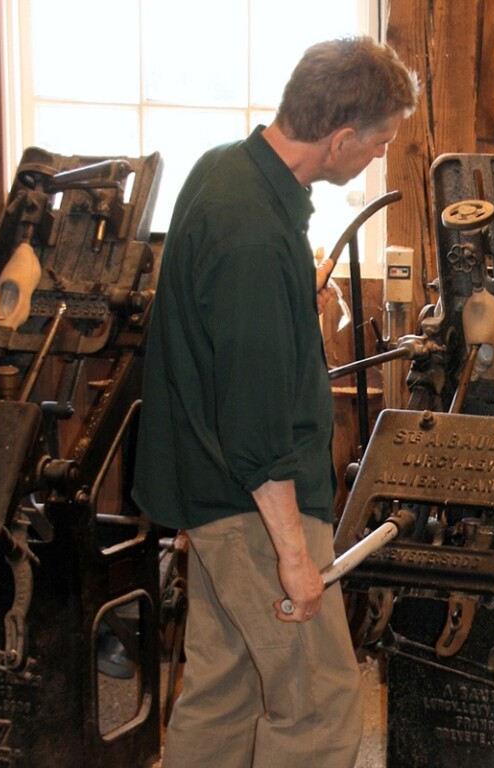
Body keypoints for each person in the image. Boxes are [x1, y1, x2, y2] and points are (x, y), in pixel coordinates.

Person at [132, 36, 419, 768]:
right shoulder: (255, 232)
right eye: (381, 140)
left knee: (224, 692)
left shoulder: (224, 169)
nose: (380, 155)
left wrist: (289, 303)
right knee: (318, 705)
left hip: (212, 494)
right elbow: (256, 425)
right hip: (254, 510)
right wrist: (295, 556)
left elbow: (221, 330)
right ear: (342, 137)